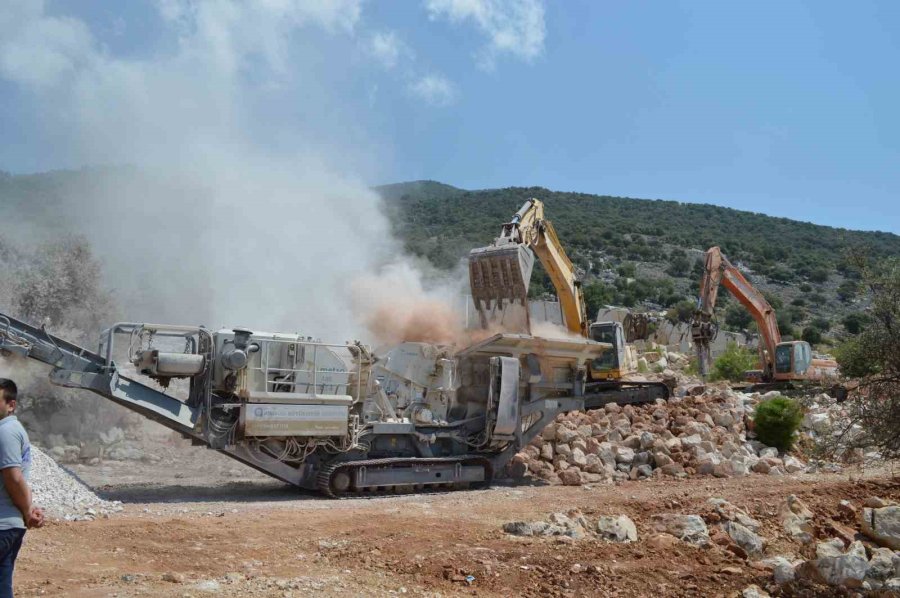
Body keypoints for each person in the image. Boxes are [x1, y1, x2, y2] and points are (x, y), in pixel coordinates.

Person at [0, 379, 43, 598]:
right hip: (9, 524)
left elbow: (14, 478)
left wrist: (27, 511)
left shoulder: (5, 432)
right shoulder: (12, 429)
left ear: (11, 405)